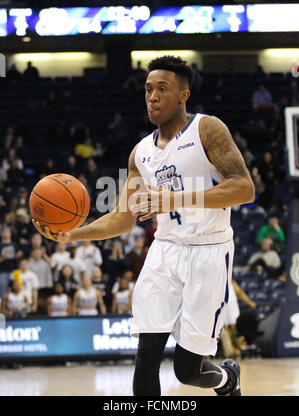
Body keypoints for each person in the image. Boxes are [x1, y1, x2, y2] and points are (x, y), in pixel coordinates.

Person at [33, 56, 255, 396]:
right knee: (146, 355)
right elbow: (122, 218)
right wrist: (71, 234)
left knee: (187, 370)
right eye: (149, 89)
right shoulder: (141, 153)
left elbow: (244, 188)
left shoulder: (207, 129)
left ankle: (228, 378)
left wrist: (176, 199)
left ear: (183, 94)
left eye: (162, 89)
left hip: (209, 251)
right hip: (164, 251)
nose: (152, 96)